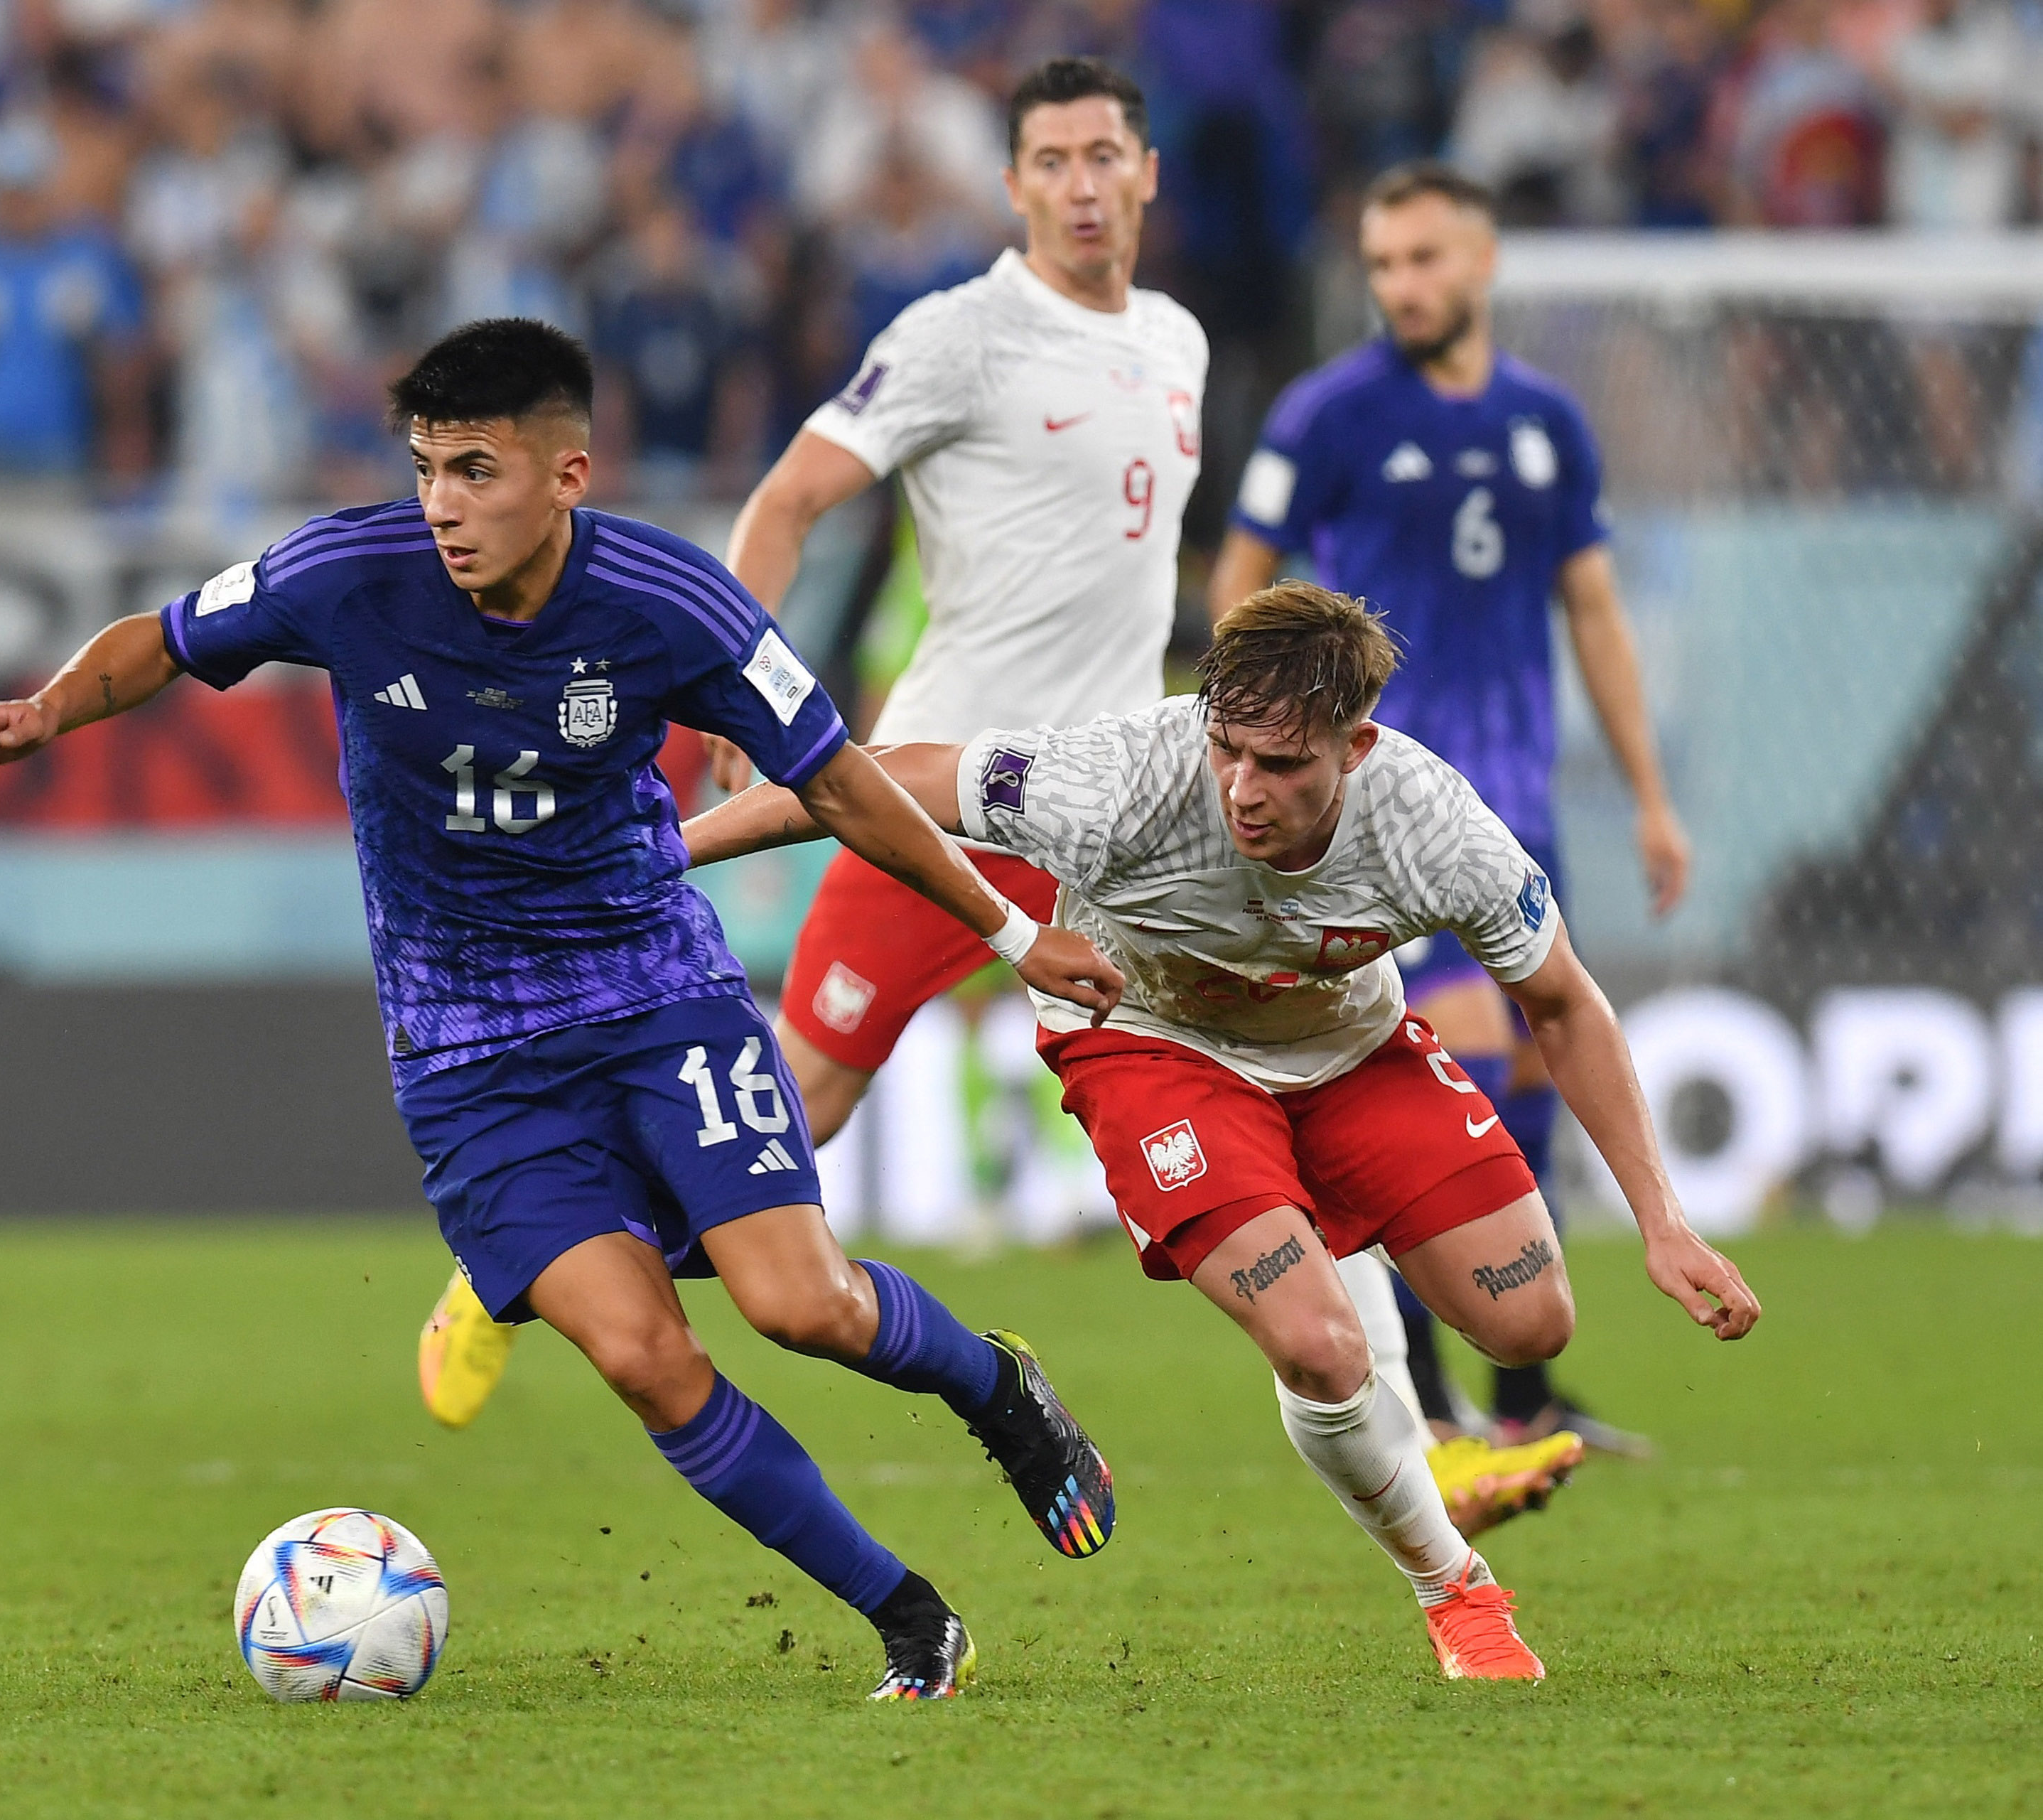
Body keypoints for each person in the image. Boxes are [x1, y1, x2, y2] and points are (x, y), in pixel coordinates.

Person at [417, 57, 1572, 1544]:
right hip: (949, 799)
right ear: (1016, 183)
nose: (1083, 184)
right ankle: (528, 1236)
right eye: (1052, 160)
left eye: (1106, 155)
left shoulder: (1176, 338)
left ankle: (1433, 1444)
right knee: (794, 1108)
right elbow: (784, 501)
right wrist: (727, 689)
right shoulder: (960, 334)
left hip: (1137, 824)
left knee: (1297, 1074)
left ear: (1146, 175)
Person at [0, 318, 1125, 1701]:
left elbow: (838, 778)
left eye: (479, 472)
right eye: (430, 467)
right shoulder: (347, 574)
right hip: (468, 1058)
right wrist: (47, 711)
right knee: (643, 1356)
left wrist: (1009, 928)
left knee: (801, 1307)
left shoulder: (670, 604)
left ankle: (997, 1389)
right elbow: (164, 638)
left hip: (659, 1000)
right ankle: (911, 1618)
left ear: (569, 475)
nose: (444, 504)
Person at [681, 581, 1762, 1681]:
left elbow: (1565, 1003)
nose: (1243, 787)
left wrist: (1661, 1223)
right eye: (1228, 749)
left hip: (1347, 1050)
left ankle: (1341, 1225)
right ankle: (1457, 1592)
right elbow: (858, 780)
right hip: (1149, 1043)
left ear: (1357, 744)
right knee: (1319, 1344)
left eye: (1281, 765)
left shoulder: (1436, 826)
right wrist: (665, 855)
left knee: (1530, 1322)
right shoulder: (1119, 777)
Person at [1209, 161, 1687, 1458]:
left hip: (1516, 804)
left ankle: (1523, 1400)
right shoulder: (1328, 415)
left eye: (1422, 259)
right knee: (1443, 1058)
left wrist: (1647, 795)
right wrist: (1254, 747)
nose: (1400, 286)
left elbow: (1589, 604)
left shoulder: (1546, 421)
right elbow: (1241, 579)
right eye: (1380, 265)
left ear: (1479, 264)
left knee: (1537, 1062)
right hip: (1380, 812)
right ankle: (1424, 1402)